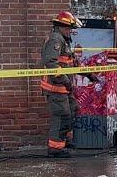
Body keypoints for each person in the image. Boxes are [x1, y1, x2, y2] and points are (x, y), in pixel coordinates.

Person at [41, 11, 97, 158]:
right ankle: (55, 148)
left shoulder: (64, 41)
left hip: (65, 88)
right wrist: (65, 80)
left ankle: (65, 141)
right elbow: (51, 63)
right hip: (56, 87)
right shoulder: (56, 40)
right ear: (61, 27)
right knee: (62, 116)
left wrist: (90, 75)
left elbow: (74, 64)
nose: (70, 31)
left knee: (73, 110)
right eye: (68, 28)